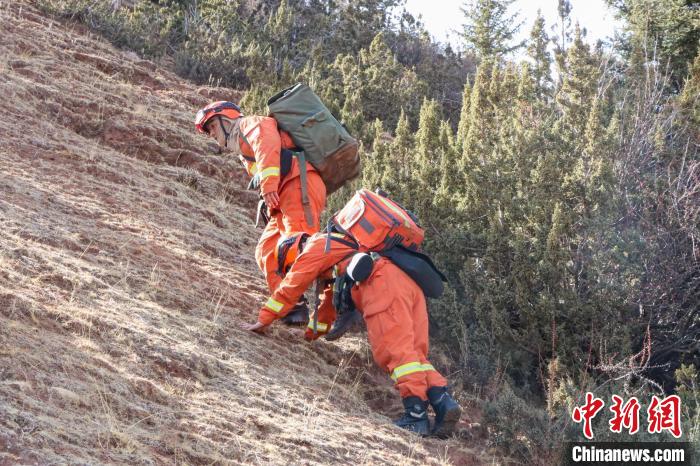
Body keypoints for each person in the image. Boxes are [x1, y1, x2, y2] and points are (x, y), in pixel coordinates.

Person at [242, 231, 462, 438]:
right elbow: (327, 308)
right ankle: (443, 402)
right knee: (415, 354)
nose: (293, 267)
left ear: (292, 251)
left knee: (395, 353)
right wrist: (309, 336)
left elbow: (292, 286)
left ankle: (416, 416)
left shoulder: (315, 246)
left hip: (382, 284)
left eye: (290, 265)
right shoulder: (338, 247)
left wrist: (264, 319)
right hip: (407, 283)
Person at [195, 101, 327, 324]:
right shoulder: (242, 150)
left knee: (298, 244)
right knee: (266, 250)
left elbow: (268, 144)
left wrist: (268, 186)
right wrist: (267, 199)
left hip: (300, 185)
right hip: (282, 196)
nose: (212, 134)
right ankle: (292, 307)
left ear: (226, 119)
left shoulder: (250, 124)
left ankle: (344, 283)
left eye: (212, 127)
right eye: (208, 131)